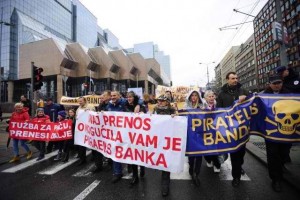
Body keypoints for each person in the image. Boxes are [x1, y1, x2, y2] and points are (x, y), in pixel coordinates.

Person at [216, 72, 249, 187]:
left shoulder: (243, 90)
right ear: (227, 80)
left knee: (241, 152)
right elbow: (218, 110)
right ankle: (236, 177)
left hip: (242, 128)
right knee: (235, 152)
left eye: (236, 78)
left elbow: (251, 103)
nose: (235, 80)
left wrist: (246, 98)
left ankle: (239, 167)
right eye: (232, 78)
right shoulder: (221, 94)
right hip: (230, 128)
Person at [263, 75, 291, 192]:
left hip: (287, 130)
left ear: (282, 83)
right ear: (270, 84)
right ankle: (276, 179)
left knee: (284, 152)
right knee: (273, 154)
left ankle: (281, 165)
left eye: (279, 82)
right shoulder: (263, 96)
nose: (276, 85)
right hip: (271, 132)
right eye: (274, 83)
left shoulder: (290, 94)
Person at [153, 94, 176, 197]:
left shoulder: (172, 111)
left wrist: (175, 116)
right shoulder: (154, 110)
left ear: (167, 102)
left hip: (168, 140)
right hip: (156, 140)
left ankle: (165, 185)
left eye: (162, 101)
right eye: (159, 100)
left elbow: (179, 122)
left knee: (166, 162)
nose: (160, 102)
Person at [105, 91, 127, 183]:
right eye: (112, 96)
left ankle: (134, 170)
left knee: (130, 152)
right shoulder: (108, 106)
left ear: (119, 96)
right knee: (115, 152)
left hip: (125, 133)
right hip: (114, 135)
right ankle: (117, 173)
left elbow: (137, 102)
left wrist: (139, 106)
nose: (113, 97)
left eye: (115, 95)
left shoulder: (124, 103)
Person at [124, 91, 146, 186]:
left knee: (140, 153)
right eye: (128, 97)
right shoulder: (124, 106)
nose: (129, 98)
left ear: (134, 98)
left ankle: (142, 167)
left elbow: (147, 115)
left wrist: (142, 112)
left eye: (131, 97)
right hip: (129, 134)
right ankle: (135, 176)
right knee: (132, 155)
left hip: (139, 135)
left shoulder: (140, 105)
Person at [202, 90, 226, 173]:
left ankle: (217, 164)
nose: (211, 98)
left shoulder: (218, 106)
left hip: (217, 131)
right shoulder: (202, 107)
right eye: (209, 96)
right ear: (205, 98)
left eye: (212, 96)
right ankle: (208, 160)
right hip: (206, 131)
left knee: (216, 148)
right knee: (207, 148)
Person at [183, 90, 203, 186]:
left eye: (196, 95)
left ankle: (197, 174)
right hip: (190, 134)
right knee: (191, 155)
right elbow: (181, 117)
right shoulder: (186, 107)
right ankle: (191, 166)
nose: (194, 97)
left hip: (200, 134)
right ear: (190, 97)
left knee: (199, 155)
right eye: (192, 95)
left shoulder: (203, 106)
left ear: (198, 97)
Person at [76, 96, 95, 165]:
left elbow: (94, 116)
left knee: (92, 143)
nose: (80, 102)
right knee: (81, 145)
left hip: (90, 128)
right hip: (82, 129)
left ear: (84, 101)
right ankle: (82, 159)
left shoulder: (90, 106)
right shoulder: (78, 108)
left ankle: (94, 156)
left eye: (81, 101)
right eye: (79, 101)